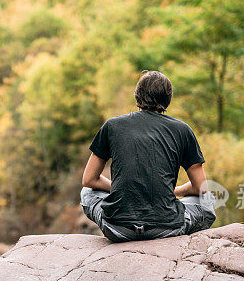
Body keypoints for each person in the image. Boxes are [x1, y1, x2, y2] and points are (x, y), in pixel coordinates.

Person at [81, 70, 216, 243]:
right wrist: (174, 192)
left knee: (87, 193)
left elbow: (89, 180)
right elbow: (201, 187)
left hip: (117, 228)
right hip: (166, 229)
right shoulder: (183, 130)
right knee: (208, 199)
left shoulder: (112, 126)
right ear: (168, 99)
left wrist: (119, 190)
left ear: (137, 96)